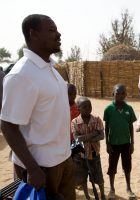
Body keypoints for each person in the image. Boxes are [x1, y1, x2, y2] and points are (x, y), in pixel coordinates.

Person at [0, 14, 75, 199]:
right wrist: (32, 168)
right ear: (33, 34)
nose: (58, 34)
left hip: (63, 159)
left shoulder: (50, 69)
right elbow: (8, 126)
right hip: (42, 167)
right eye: (51, 30)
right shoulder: (22, 75)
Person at [104, 84, 137, 199]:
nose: (120, 95)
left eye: (123, 93)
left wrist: (132, 143)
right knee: (112, 167)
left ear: (126, 95)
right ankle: (112, 189)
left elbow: (131, 127)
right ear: (113, 94)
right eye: (117, 93)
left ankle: (128, 188)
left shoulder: (129, 109)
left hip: (126, 143)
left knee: (127, 166)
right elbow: (106, 126)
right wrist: (107, 143)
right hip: (113, 143)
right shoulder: (108, 109)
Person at [71, 96, 106, 200]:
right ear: (78, 109)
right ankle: (87, 196)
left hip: (94, 154)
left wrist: (85, 137)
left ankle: (102, 195)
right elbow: (77, 139)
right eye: (84, 106)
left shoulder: (96, 119)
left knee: (99, 178)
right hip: (81, 156)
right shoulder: (75, 122)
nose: (88, 108)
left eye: (89, 106)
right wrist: (94, 133)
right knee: (82, 178)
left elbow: (102, 136)